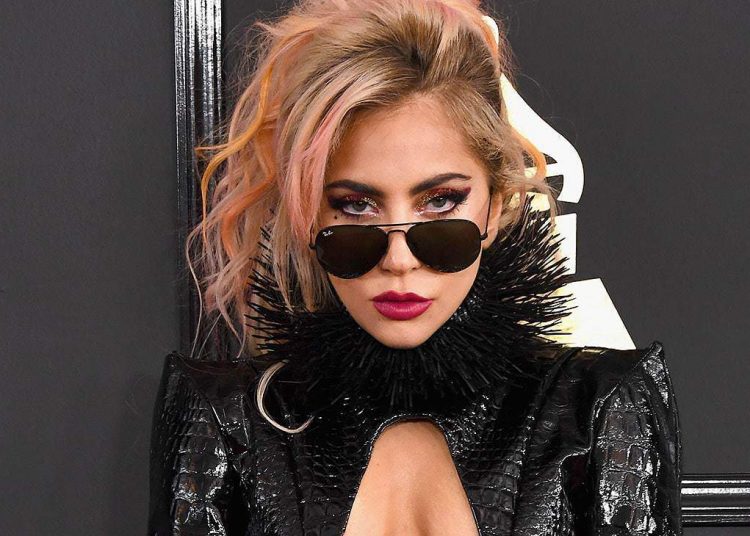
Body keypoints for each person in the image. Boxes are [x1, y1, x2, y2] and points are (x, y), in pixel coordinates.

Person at [148, 0, 682, 534]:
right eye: (355, 206)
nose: (399, 260)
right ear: (307, 215)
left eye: (441, 201)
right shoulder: (226, 420)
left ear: (495, 206)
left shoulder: (601, 407)